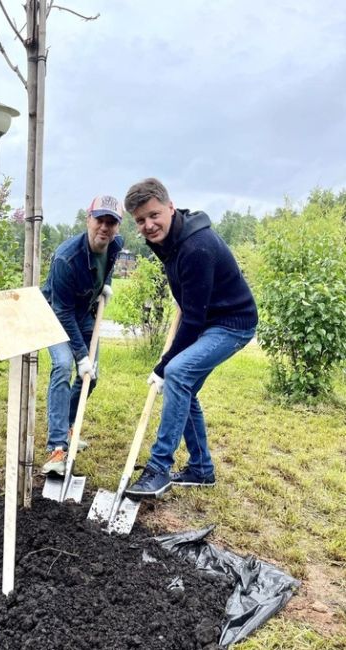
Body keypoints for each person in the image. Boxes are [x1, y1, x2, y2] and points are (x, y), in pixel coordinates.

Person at [123, 178, 258, 498]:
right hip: (208, 317)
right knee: (185, 389)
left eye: (154, 215)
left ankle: (159, 468)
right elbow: (188, 305)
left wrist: (162, 366)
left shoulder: (197, 247)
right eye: (140, 220)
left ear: (171, 207)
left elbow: (194, 320)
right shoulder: (165, 238)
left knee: (177, 374)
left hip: (232, 324)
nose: (148, 225)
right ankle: (201, 469)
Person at [41, 195, 124, 476]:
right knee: (64, 366)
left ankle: (67, 426)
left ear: (117, 227)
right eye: (100, 219)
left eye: (111, 222)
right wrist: (80, 355)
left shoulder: (116, 245)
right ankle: (57, 448)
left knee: (92, 376)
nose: (105, 227)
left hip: (85, 314)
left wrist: (107, 284)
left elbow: (109, 265)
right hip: (55, 313)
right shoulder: (67, 258)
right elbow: (62, 312)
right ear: (88, 220)